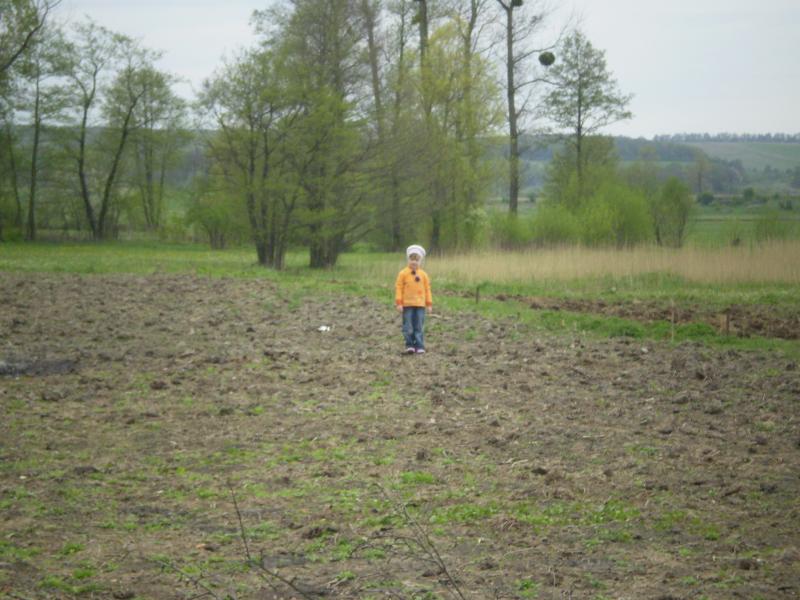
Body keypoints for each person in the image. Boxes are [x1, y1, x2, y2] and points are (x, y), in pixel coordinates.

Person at [395, 244, 433, 354]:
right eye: (412, 259)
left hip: (420, 305)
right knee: (408, 326)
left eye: (417, 260)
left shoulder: (424, 275)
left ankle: (420, 345)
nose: (414, 262)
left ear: (421, 261)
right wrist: (399, 302)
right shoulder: (403, 273)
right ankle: (410, 344)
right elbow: (398, 287)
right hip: (407, 305)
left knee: (419, 326)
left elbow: (427, 289)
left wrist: (429, 304)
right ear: (408, 259)